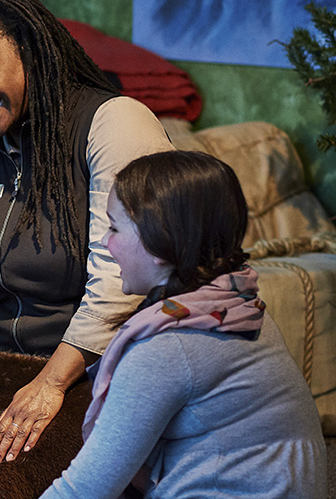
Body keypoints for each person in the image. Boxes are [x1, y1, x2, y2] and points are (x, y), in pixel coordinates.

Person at [0, 0, 175, 465]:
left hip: (94, 371)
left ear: (26, 48)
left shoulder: (113, 123)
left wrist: (49, 385)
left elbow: (119, 281)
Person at [39, 150, 327, 498]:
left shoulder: (168, 347)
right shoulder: (237, 307)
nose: (105, 242)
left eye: (114, 227)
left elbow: (85, 488)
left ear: (159, 240)